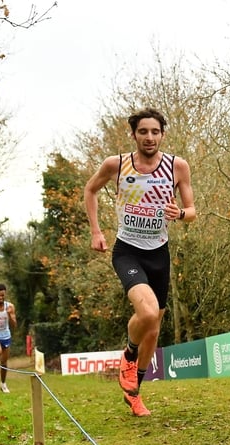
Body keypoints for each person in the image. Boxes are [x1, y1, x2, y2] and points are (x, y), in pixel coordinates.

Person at [84, 108, 196, 417]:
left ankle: (134, 394)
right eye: (143, 131)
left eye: (155, 132)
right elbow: (90, 190)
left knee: (154, 328)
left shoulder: (177, 166)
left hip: (159, 253)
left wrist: (181, 214)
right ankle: (129, 357)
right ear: (133, 134)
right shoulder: (116, 165)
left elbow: (192, 210)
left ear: (162, 134)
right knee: (146, 313)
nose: (149, 137)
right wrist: (96, 231)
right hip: (128, 251)